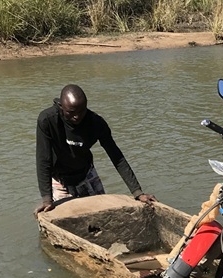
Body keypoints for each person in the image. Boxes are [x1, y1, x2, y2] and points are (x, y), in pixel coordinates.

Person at [35, 84, 157, 216]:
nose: (76, 117)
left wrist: (137, 192)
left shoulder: (96, 122)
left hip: (87, 172)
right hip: (60, 179)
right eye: (71, 112)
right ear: (61, 107)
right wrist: (47, 199)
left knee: (104, 216)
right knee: (69, 218)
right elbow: (43, 160)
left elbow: (116, 157)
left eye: (81, 111)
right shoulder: (47, 120)